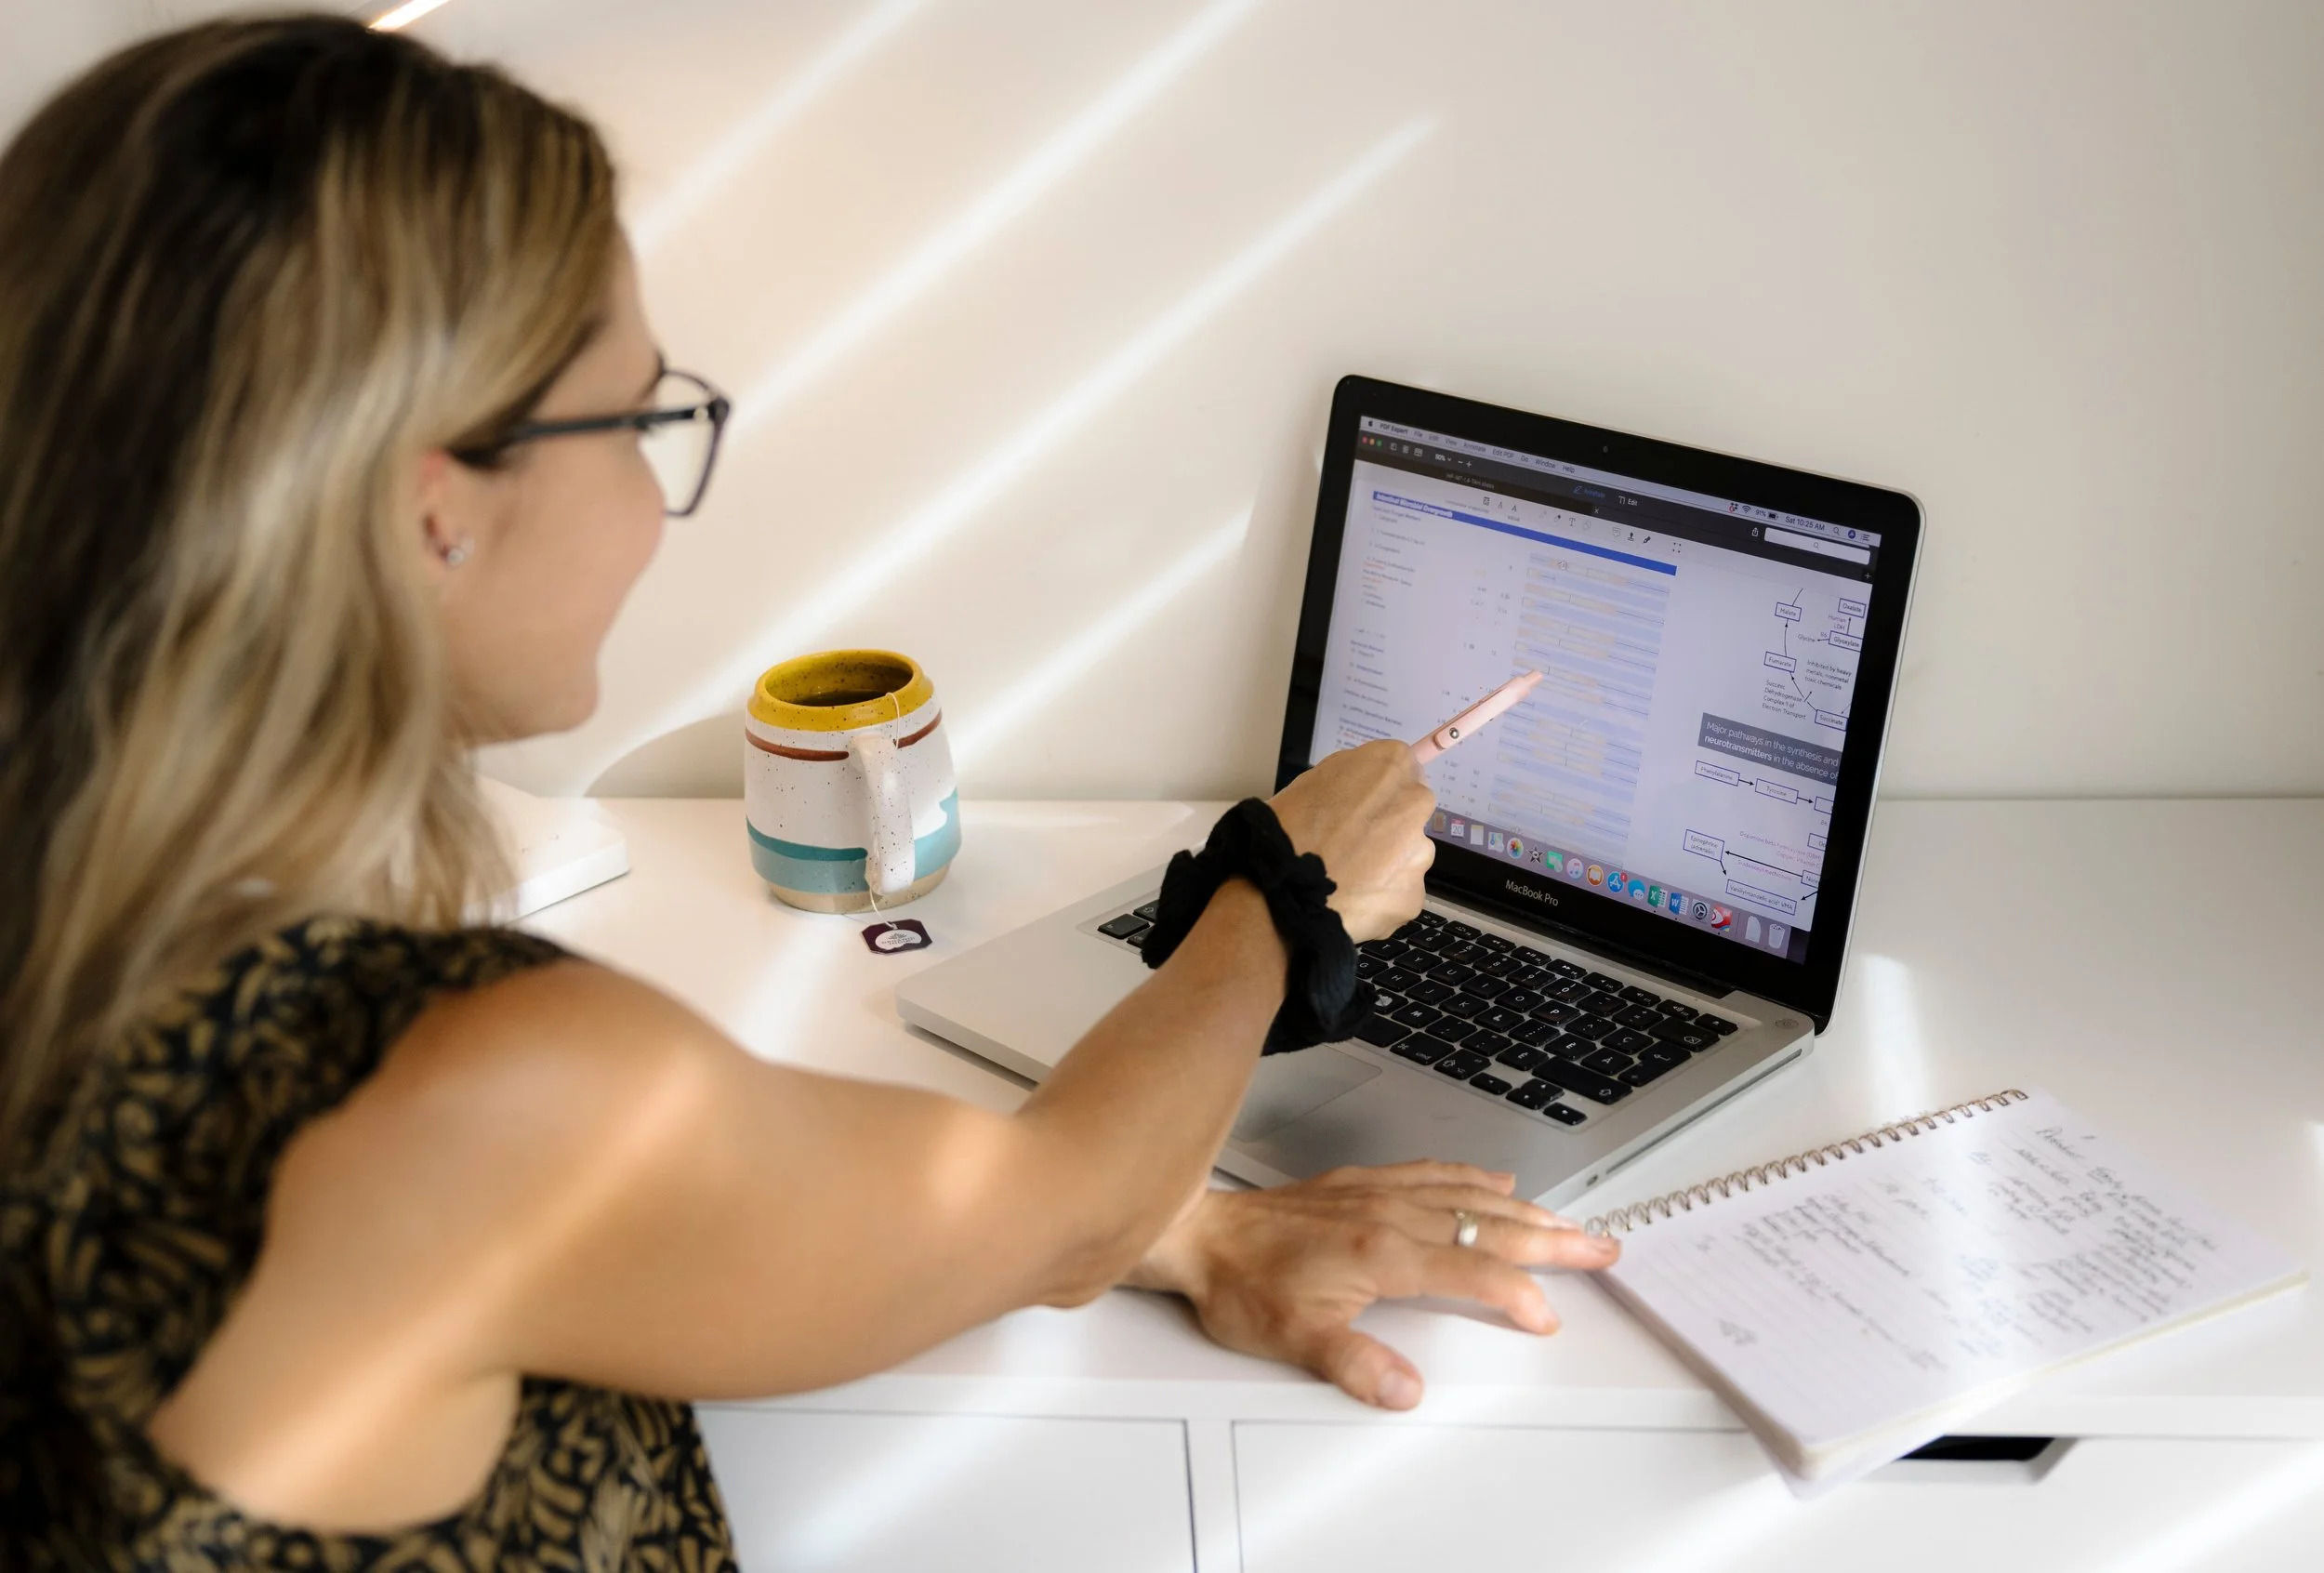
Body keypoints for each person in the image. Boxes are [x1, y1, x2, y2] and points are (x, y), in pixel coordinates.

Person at [0, 15, 1618, 1566]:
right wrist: (1285, 886)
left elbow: (856, 1217)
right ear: (437, 513)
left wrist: (1183, 1223)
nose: (654, 501)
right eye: (637, 419)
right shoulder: (451, 1080)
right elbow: (1049, 1208)